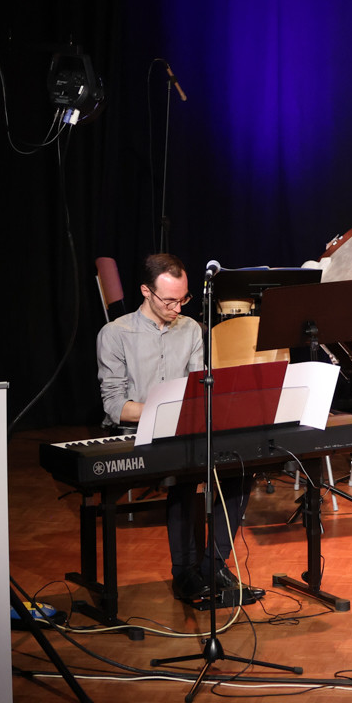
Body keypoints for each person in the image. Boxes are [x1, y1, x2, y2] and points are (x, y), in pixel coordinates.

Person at [96, 251, 253, 603]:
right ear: (146, 292)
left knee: (243, 466)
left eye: (183, 299)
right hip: (139, 431)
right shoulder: (115, 334)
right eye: (169, 300)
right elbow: (114, 405)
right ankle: (184, 573)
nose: (178, 307)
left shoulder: (192, 329)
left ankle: (214, 563)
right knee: (184, 471)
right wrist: (167, 410)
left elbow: (200, 386)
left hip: (184, 425)